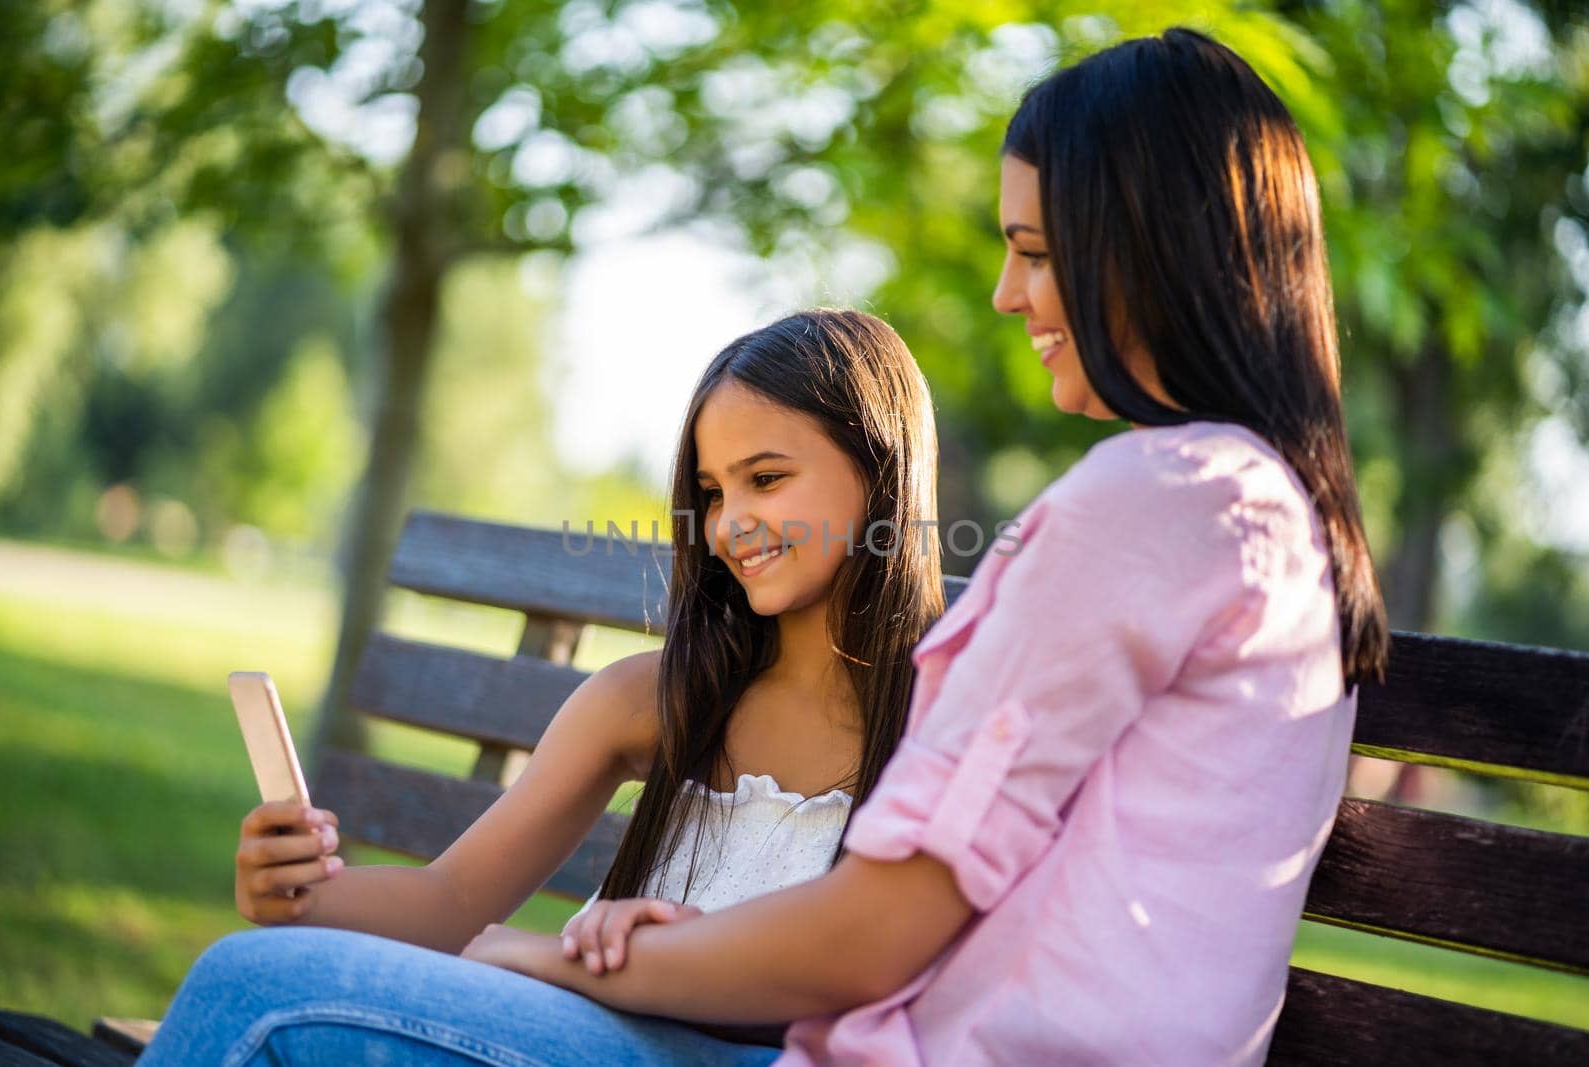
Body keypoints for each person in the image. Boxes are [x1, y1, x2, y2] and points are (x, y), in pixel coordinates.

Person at [469, 27, 1390, 1067]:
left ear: (1146, 248)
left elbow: (873, 934)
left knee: (261, 986)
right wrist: (706, 946)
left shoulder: (1160, 498)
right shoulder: (1272, 519)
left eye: (1036, 252)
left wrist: (556, 957)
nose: (1006, 292)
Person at [135, 308, 946, 1066]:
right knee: (256, 966)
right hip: (579, 1025)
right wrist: (302, 899)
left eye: (765, 479)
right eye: (712, 491)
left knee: (253, 989)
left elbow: (874, 974)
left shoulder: (947, 716)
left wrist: (577, 959)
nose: (730, 522)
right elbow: (451, 897)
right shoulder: (656, 698)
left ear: (880, 470)